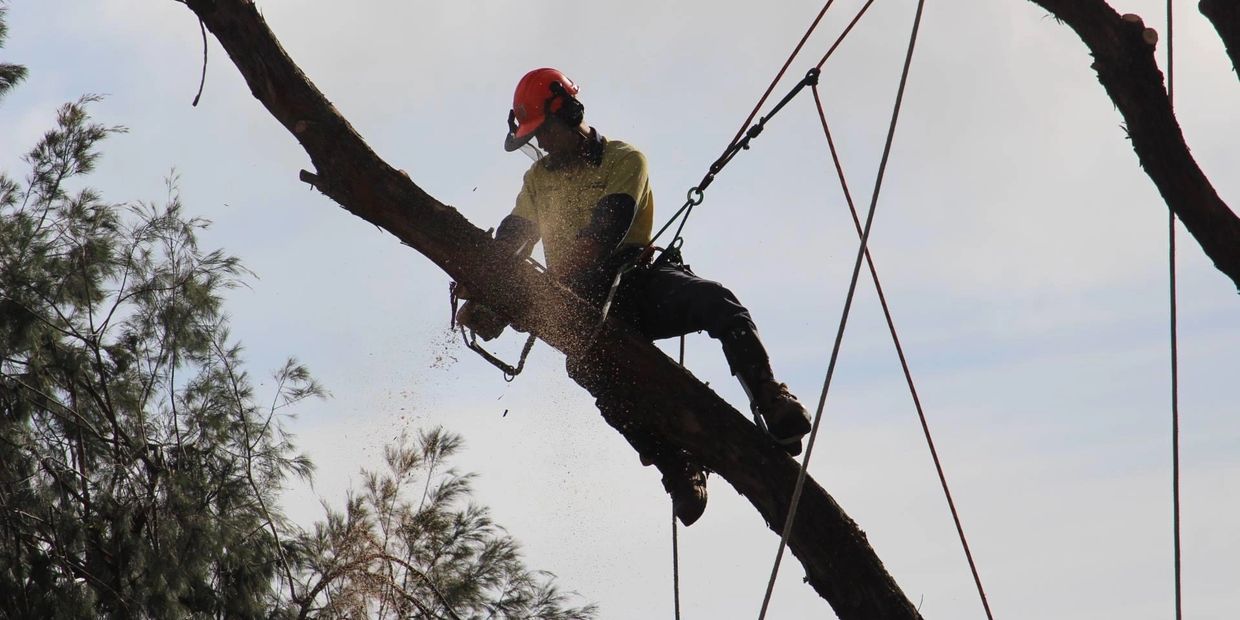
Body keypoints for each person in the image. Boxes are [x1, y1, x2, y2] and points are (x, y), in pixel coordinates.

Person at [457, 68, 812, 525]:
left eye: (544, 132)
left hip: (638, 281)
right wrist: (484, 282)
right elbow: (514, 236)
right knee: (588, 369)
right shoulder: (537, 181)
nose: (541, 145)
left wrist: (535, 295)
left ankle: (769, 397)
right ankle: (676, 465)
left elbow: (604, 235)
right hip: (584, 299)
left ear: (567, 113)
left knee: (717, 302)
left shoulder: (625, 160)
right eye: (534, 137)